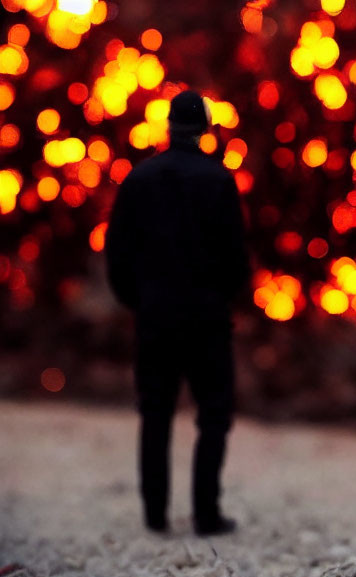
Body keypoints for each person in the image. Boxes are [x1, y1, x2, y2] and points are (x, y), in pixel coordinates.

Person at [105, 89, 250, 536]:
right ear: (206, 129)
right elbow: (236, 256)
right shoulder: (220, 180)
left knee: (155, 412)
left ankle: (155, 515)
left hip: (155, 313)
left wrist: (137, 300)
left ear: (168, 127)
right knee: (213, 414)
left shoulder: (138, 179)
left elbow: (116, 253)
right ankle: (206, 513)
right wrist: (226, 299)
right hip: (206, 315)